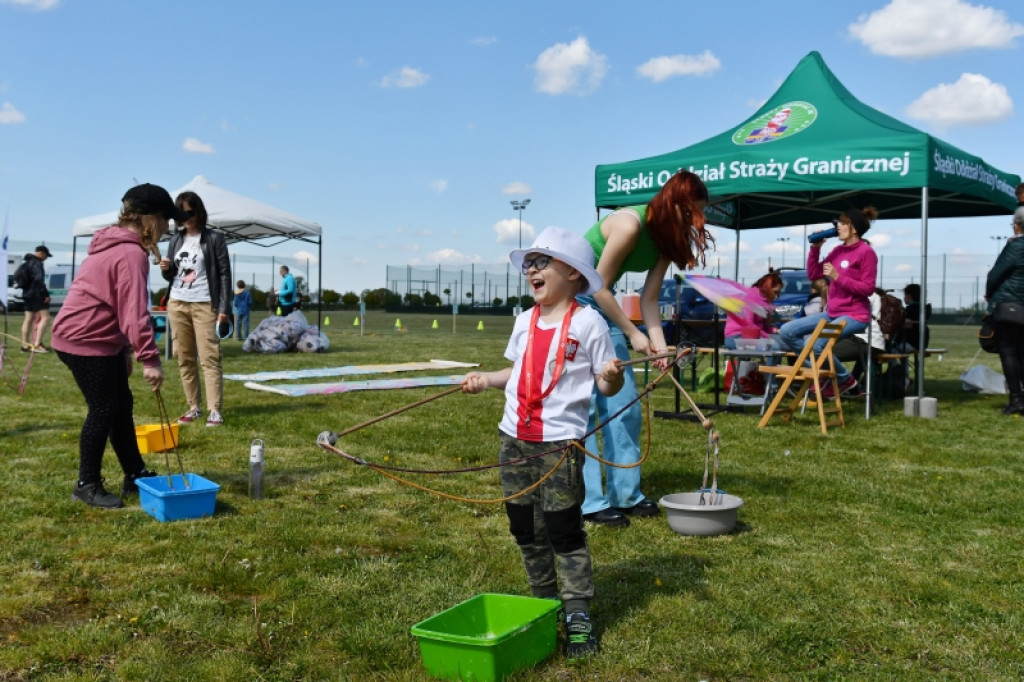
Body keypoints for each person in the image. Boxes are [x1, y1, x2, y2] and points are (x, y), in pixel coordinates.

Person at [461, 226, 622, 659]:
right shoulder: (523, 321)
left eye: (541, 262)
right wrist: (485, 380)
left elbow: (605, 386)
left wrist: (611, 376)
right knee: (524, 528)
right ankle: (542, 601)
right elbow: (514, 374)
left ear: (571, 272)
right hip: (513, 440)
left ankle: (576, 613)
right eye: (529, 263)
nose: (531, 269)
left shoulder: (589, 322)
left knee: (563, 530)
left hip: (558, 447)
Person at [580, 170, 713, 527]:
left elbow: (650, 299)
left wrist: (658, 346)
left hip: (604, 308)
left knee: (624, 404)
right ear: (673, 205)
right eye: (690, 213)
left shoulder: (665, 239)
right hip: (575, 303)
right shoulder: (628, 224)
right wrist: (632, 333)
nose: (693, 222)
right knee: (586, 406)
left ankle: (626, 494)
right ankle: (590, 502)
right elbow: (598, 286)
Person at [51, 184, 183, 508]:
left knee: (120, 405)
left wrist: (125, 350)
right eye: (166, 219)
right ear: (151, 219)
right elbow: (134, 311)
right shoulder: (130, 253)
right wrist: (149, 359)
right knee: (105, 408)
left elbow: (116, 303)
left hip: (96, 337)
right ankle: (87, 483)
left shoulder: (114, 244)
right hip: (84, 338)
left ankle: (135, 474)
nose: (167, 228)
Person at [777, 207, 879, 399]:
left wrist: (837, 277)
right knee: (787, 332)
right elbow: (815, 274)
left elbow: (868, 288)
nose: (838, 227)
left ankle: (838, 379)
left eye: (842, 223)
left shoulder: (866, 253)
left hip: (855, 315)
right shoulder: (837, 251)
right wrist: (815, 249)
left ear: (854, 228)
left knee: (815, 345)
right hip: (832, 312)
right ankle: (834, 377)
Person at [160, 191, 232, 427]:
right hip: (177, 303)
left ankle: (215, 410)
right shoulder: (175, 240)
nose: (185, 218)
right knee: (184, 357)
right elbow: (170, 276)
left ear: (198, 211)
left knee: (210, 358)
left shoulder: (214, 238)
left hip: (204, 304)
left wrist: (223, 308)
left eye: (189, 213)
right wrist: (165, 268)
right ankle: (194, 407)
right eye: (180, 215)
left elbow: (224, 274)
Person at [985, 210, 1024, 415]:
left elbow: (995, 275)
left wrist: (989, 294)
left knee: (1009, 352)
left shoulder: (1016, 246)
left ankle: (1017, 399)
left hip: (1011, 306)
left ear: (1017, 226)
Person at [832, 290, 885, 391]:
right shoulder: (873, 295)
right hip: (873, 341)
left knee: (823, 352)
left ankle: (846, 381)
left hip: (865, 339)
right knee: (822, 350)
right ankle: (847, 383)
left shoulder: (859, 295)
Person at [723, 269, 783, 349]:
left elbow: (760, 326)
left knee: (787, 342)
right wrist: (767, 336)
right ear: (767, 288)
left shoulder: (763, 300)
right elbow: (749, 325)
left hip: (753, 335)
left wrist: (774, 330)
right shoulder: (748, 297)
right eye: (775, 292)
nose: (777, 296)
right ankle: (771, 362)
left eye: (779, 292)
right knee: (774, 347)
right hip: (736, 337)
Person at [19, 245, 53, 352]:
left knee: (28, 319)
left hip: (27, 294)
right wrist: (46, 294)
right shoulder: (37, 263)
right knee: (46, 317)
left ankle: (24, 345)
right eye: (46, 256)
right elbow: (39, 279)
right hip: (36, 294)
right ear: (42, 253)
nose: (46, 258)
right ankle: (37, 344)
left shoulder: (26, 262)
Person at [896, 283, 930, 352]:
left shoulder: (910, 309)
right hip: (923, 343)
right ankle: (903, 363)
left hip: (910, 343)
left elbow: (906, 325)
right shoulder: (925, 308)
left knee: (892, 349)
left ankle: (896, 363)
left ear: (908, 296)